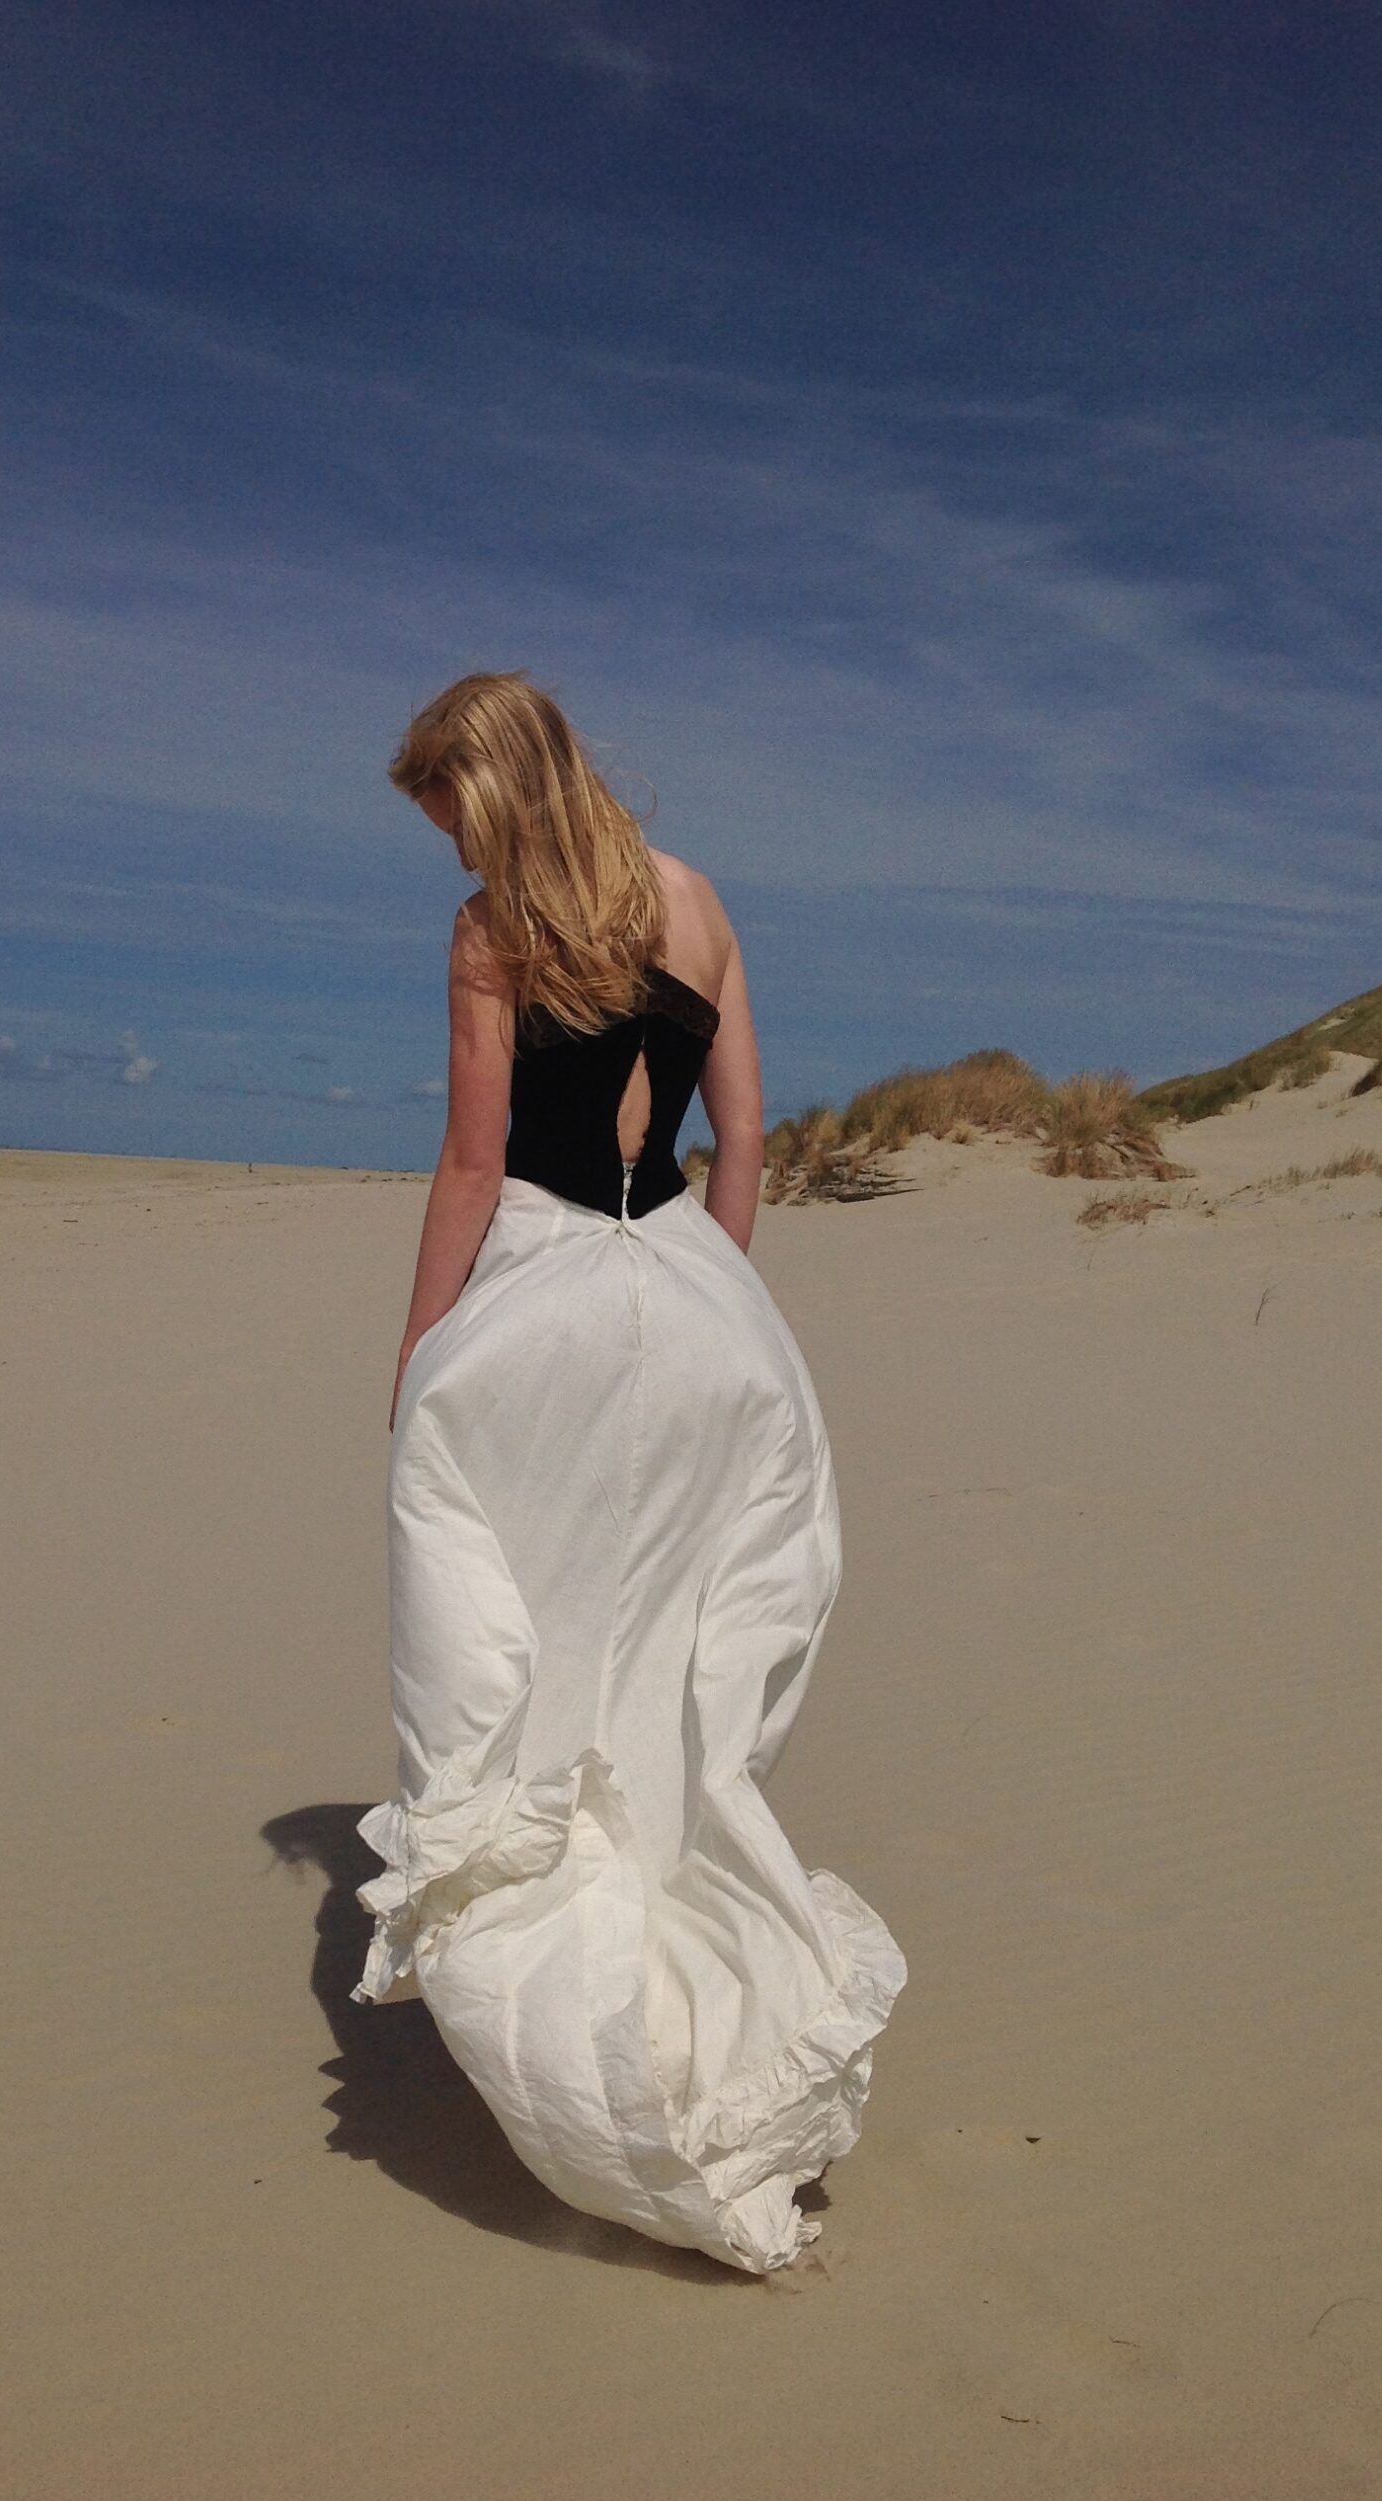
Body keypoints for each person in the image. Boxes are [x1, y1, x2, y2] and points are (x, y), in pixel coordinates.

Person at [352, 671, 905, 2274]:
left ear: (491, 787)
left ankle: (582, 2042)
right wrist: (697, 1294)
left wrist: (418, 1362)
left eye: (446, 808)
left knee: (515, 1660)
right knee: (672, 1689)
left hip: (539, 1293)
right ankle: (712, 2013)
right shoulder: (696, 899)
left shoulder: (486, 930)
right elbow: (740, 1142)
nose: (444, 841)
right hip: (698, 1305)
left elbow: (475, 1161)